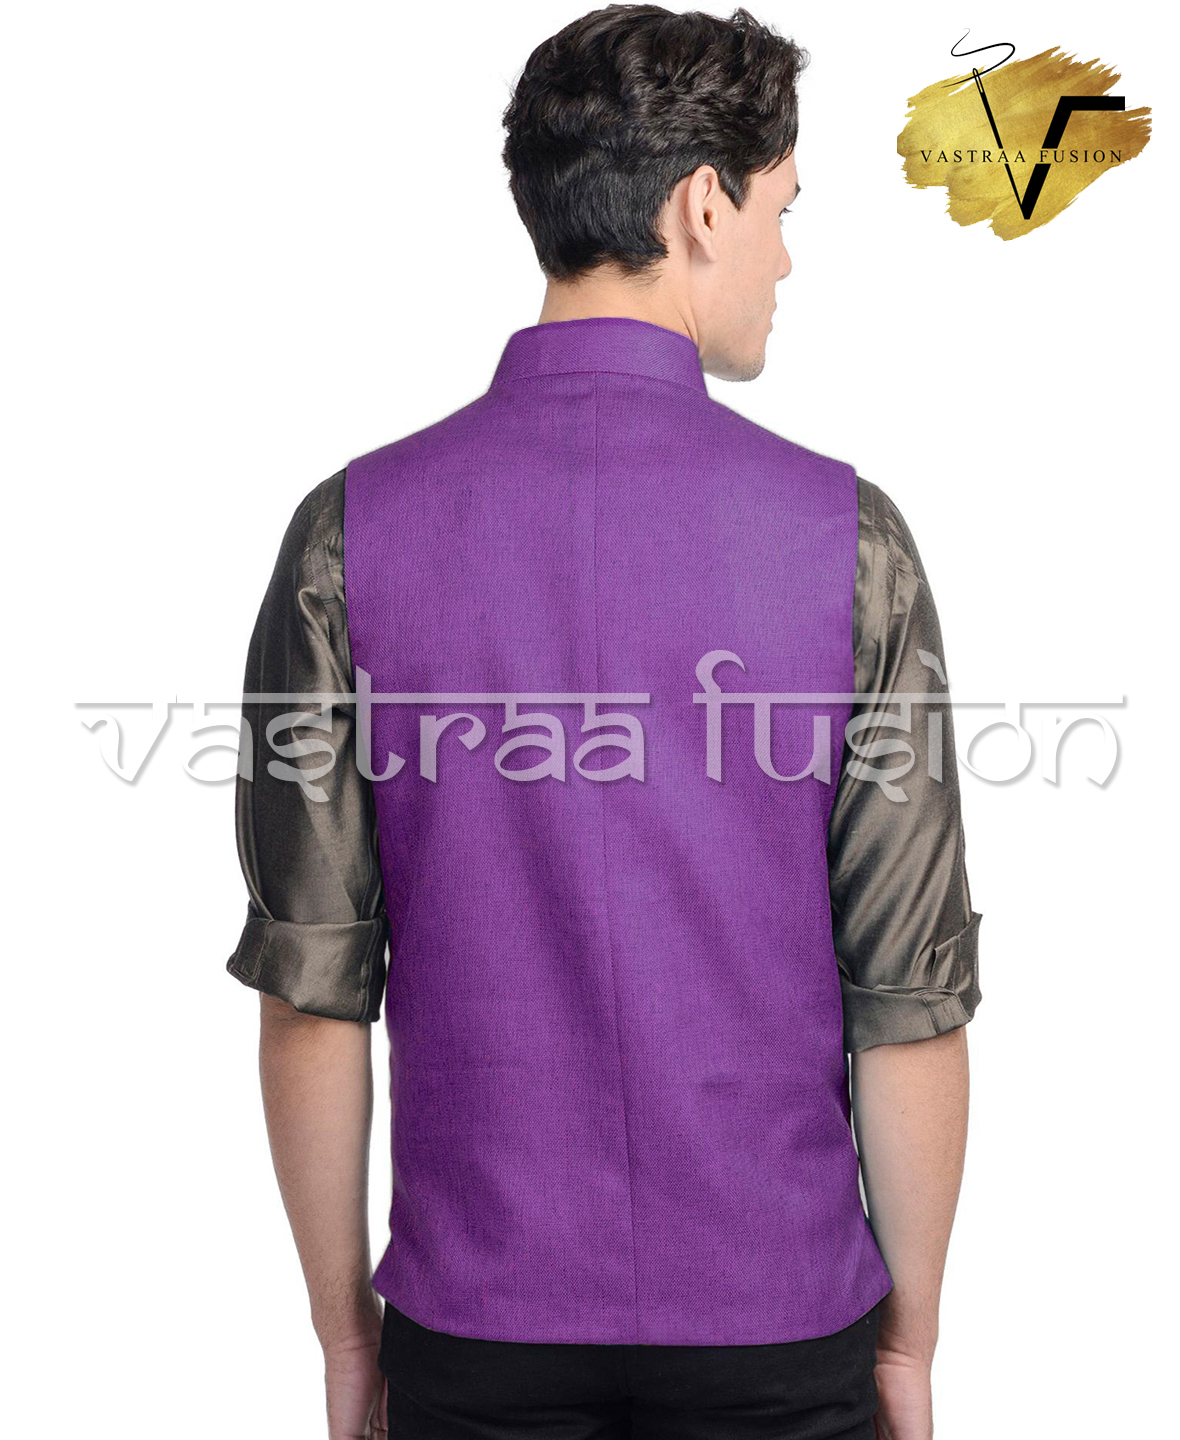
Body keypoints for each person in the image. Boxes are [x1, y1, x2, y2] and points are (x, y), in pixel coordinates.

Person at [227, 7, 982, 1437]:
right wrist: (910, 1344)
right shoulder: (850, 541)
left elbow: (311, 992)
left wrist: (345, 1339)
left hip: (474, 1326)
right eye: (782, 210)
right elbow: (909, 997)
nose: (786, 259)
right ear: (702, 205)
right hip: (779, 1320)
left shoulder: (346, 534)